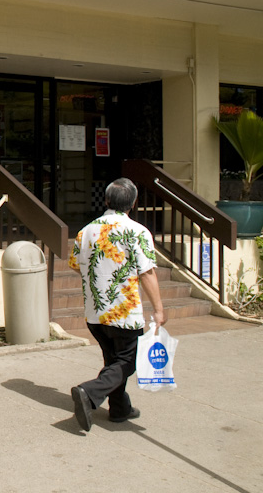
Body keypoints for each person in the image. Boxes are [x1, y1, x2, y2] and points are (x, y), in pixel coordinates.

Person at [69, 177, 166, 432]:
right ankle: (89, 392)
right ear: (133, 203)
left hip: (95, 311)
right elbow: (147, 273)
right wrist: (159, 309)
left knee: (113, 359)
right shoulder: (137, 231)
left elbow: (77, 265)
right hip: (124, 312)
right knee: (127, 362)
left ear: (106, 200)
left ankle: (119, 408)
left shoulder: (86, 231)